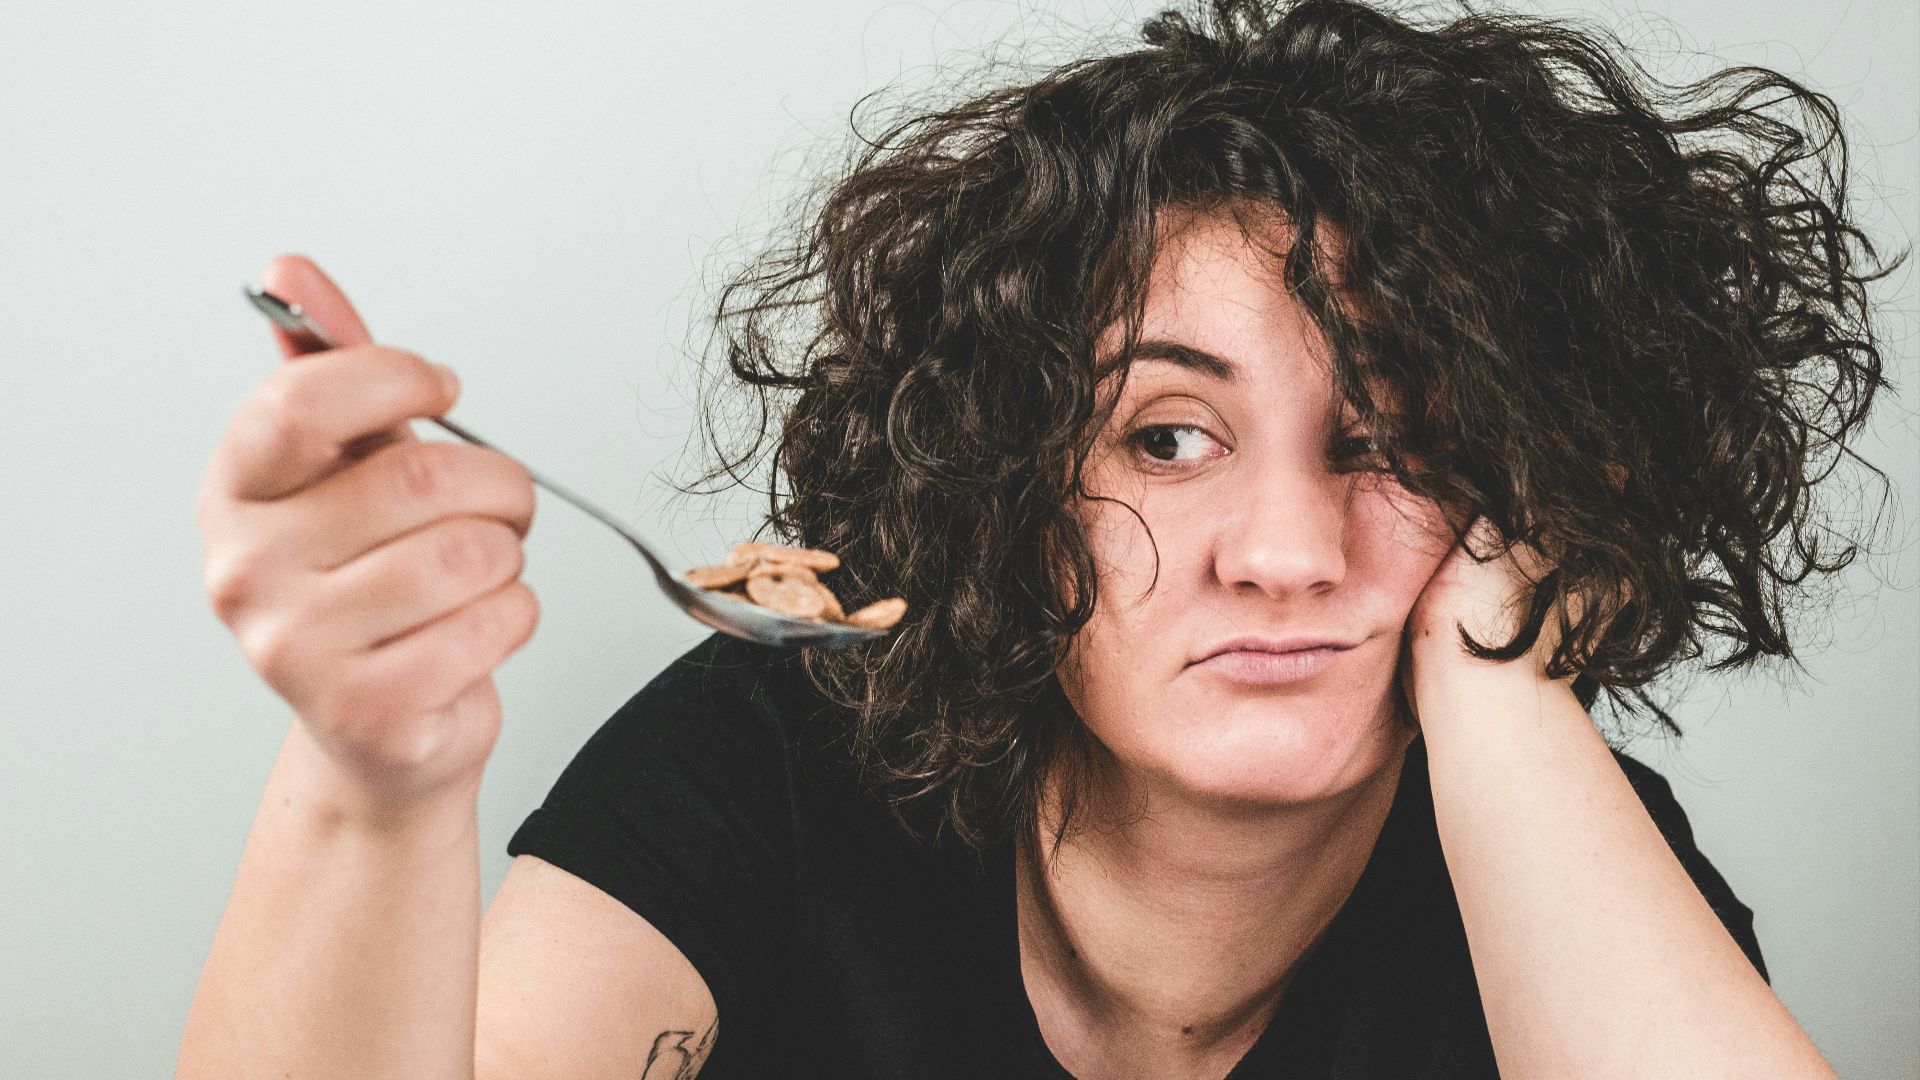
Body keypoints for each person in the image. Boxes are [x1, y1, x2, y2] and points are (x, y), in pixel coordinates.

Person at [178, 0, 1896, 1076]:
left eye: (1390, 443)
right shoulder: (772, 766)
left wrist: (1514, 694)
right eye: (1167, 437)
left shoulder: (1552, 848)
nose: (1287, 550)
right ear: (1003, 476)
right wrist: (372, 782)